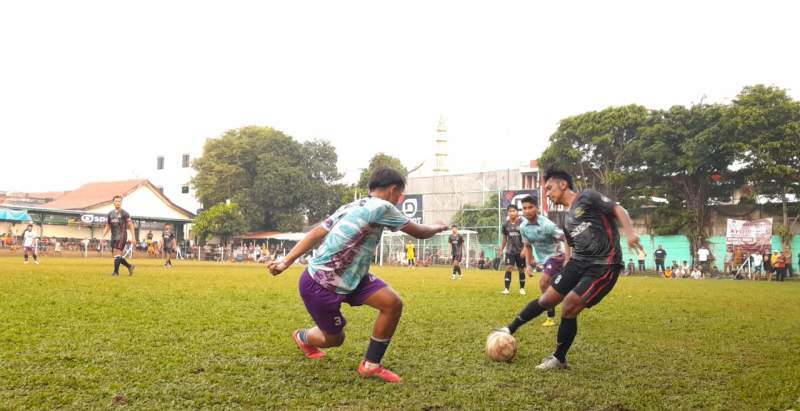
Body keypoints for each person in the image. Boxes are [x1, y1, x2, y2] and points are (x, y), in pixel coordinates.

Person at [267, 167, 448, 383]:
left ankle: (371, 365)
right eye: (400, 194)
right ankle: (302, 336)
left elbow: (317, 232)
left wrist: (285, 261)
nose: (399, 199)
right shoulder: (384, 206)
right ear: (393, 190)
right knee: (335, 339)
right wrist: (438, 227)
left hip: (354, 277)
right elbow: (420, 232)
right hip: (321, 283)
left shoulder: (352, 205)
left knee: (392, 303)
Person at [496, 169, 640, 370]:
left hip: (604, 265)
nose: (547, 193)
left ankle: (559, 358)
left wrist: (631, 234)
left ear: (563, 184)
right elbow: (569, 242)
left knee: (570, 305)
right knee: (547, 299)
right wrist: (568, 262)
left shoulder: (587, 197)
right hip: (578, 263)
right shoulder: (567, 218)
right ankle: (509, 329)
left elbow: (619, 209)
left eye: (549, 188)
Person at [518, 194, 567, 327]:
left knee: (543, 282)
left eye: (530, 207)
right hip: (544, 260)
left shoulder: (547, 225)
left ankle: (550, 316)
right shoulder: (523, 227)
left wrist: (570, 258)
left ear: (537, 208)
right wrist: (528, 265)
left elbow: (566, 238)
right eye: (524, 208)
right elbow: (528, 246)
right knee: (558, 285)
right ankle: (563, 300)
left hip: (557, 256)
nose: (527, 211)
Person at [101, 195, 137, 276]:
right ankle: (130, 266)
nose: (117, 202)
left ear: (121, 202)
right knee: (116, 255)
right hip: (113, 236)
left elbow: (130, 225)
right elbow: (108, 226)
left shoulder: (125, 213)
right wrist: (103, 236)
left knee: (117, 253)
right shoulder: (110, 214)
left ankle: (116, 272)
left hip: (122, 236)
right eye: (116, 201)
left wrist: (133, 237)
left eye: (119, 201)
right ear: (113, 202)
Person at [500, 204, 527, 295]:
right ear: (508, 213)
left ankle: (522, 288)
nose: (512, 213)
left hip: (520, 251)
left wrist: (525, 249)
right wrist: (501, 249)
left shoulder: (522, 223)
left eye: (513, 211)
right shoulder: (505, 225)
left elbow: (526, 237)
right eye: (510, 211)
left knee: (521, 270)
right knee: (508, 268)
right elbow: (505, 238)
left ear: (517, 212)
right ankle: (506, 289)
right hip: (510, 251)